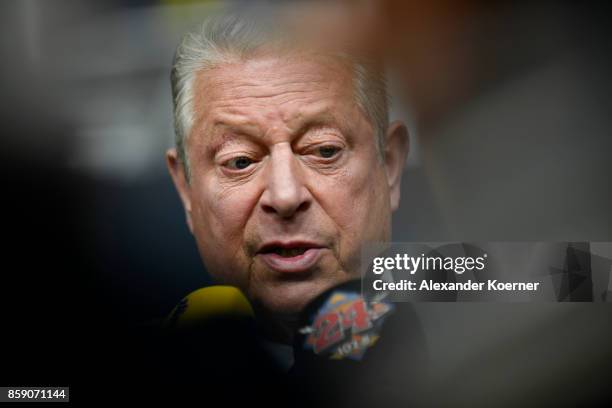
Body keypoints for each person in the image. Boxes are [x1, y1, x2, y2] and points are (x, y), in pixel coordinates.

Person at [165, 11, 409, 344]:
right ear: (185, 188)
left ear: (390, 166)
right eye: (240, 161)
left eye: (324, 151)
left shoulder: (486, 312)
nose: (285, 196)